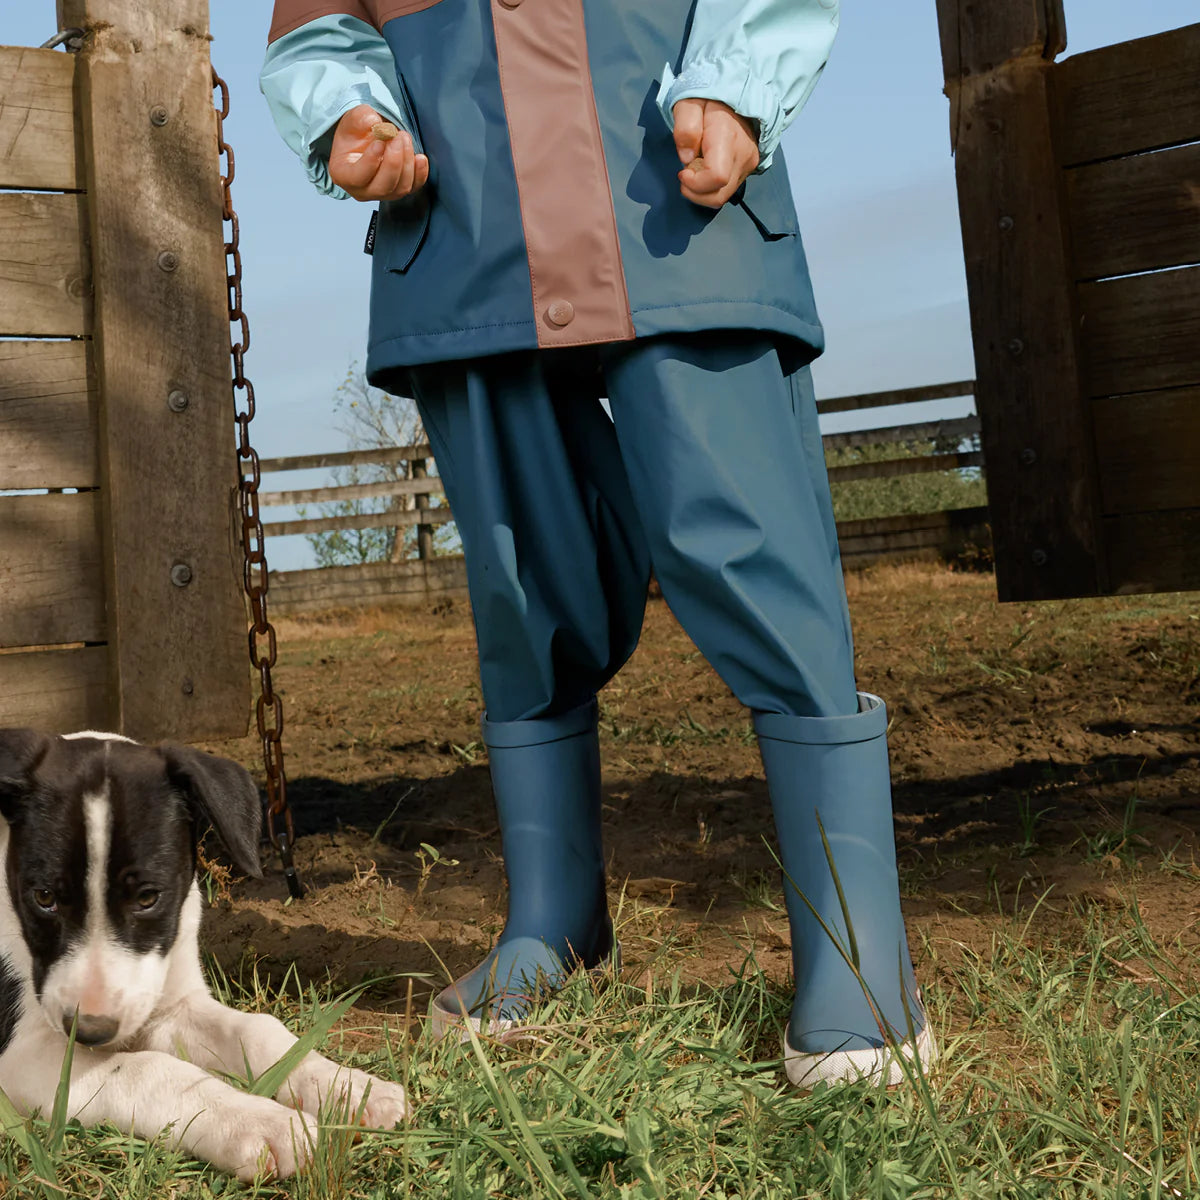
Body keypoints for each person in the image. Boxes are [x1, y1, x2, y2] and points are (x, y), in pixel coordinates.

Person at [262, 0, 935, 1088]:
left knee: (752, 550)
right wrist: (351, 110)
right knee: (522, 584)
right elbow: (318, 27)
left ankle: (860, 953)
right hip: (463, 233)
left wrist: (735, 78)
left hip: (672, 205)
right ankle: (555, 921)